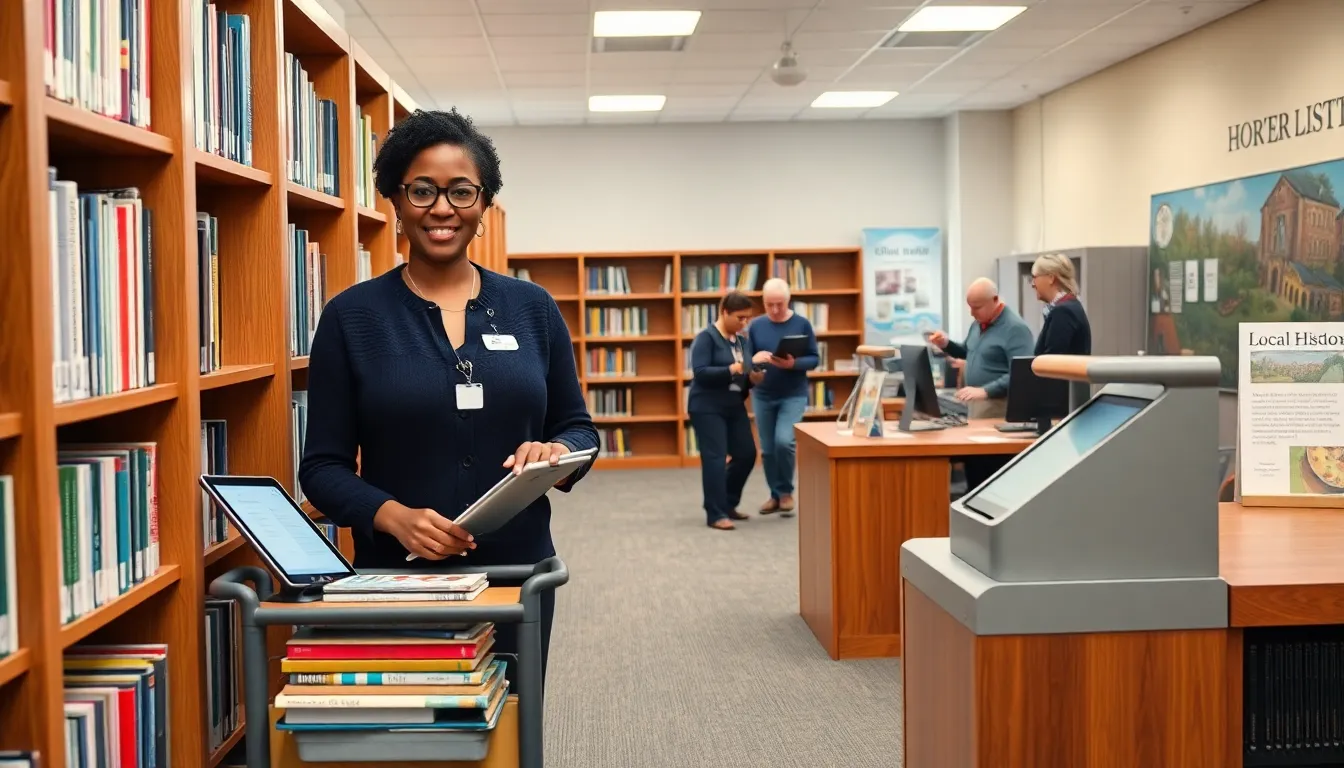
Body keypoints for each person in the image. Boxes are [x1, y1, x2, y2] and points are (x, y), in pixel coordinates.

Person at [297, 108, 599, 686]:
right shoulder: (351, 317)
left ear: (483, 205)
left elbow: (580, 428)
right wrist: (391, 517)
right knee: (414, 735)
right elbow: (322, 468)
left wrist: (556, 455)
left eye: (461, 192)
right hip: (397, 580)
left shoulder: (532, 309)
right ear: (396, 200)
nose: (442, 209)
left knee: (511, 730)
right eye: (422, 191)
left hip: (518, 575)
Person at [687, 292, 763, 530]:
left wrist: (754, 377)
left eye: (747, 319)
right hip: (707, 406)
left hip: (733, 404)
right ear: (725, 313)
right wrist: (735, 367)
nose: (744, 323)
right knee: (715, 458)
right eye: (740, 318)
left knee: (746, 454)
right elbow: (700, 372)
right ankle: (715, 513)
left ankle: (728, 503)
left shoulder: (741, 341)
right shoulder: (706, 338)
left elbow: (744, 376)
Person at [746, 277, 820, 517]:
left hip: (793, 394)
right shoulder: (756, 326)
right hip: (763, 394)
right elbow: (748, 359)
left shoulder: (802, 324)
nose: (775, 310)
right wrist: (755, 363)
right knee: (767, 449)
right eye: (769, 305)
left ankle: (787, 492)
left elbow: (814, 359)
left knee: (784, 442)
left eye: (779, 304)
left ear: (788, 300)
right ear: (763, 303)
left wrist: (793, 364)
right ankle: (775, 494)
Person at [927, 277, 1034, 421]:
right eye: (970, 307)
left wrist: (986, 391)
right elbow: (968, 352)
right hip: (976, 403)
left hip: (998, 406)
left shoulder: (1016, 329)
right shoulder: (978, 324)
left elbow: (1022, 373)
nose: (972, 313)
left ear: (995, 300)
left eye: (977, 307)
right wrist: (946, 344)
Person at [1031, 253, 1092, 355]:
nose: (1033, 284)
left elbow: (1051, 360)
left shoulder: (1063, 312)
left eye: (1034, 277)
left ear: (1051, 278)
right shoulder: (1071, 306)